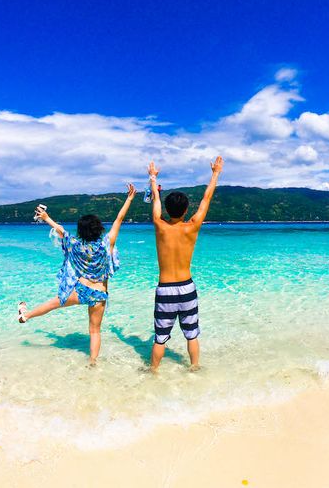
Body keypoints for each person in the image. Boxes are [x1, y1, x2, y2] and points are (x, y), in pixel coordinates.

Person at [17, 184, 136, 366]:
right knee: (94, 331)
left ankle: (26, 316)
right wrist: (129, 199)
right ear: (99, 229)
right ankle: (92, 363)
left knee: (53, 303)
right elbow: (119, 219)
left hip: (81, 290)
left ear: (81, 231)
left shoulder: (76, 244)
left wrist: (46, 218)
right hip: (99, 294)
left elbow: (61, 231)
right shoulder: (106, 244)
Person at [147, 156, 224, 372]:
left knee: (160, 338)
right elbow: (207, 199)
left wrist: (153, 178)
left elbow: (155, 200)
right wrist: (216, 173)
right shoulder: (192, 227)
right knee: (192, 334)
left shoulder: (160, 226)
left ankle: (153, 371)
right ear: (186, 209)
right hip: (187, 287)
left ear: (167, 209)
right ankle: (194, 368)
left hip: (165, 289)